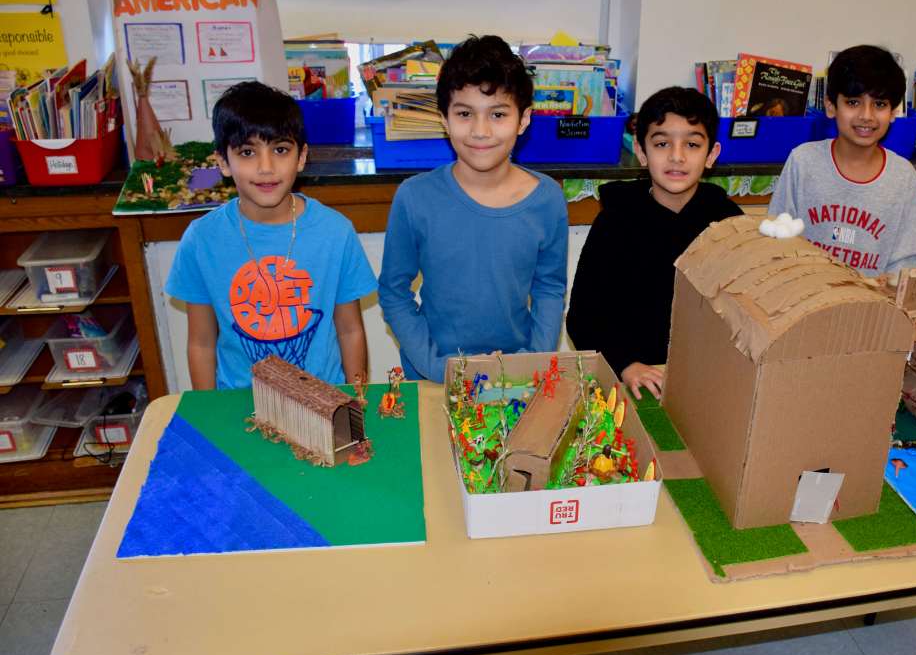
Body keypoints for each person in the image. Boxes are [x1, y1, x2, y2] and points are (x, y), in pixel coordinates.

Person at [378, 35, 568, 383]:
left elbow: (549, 288)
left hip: (516, 374)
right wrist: (437, 367)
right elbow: (393, 292)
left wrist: (533, 361)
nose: (480, 131)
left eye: (497, 114)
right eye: (465, 114)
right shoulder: (415, 197)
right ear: (444, 119)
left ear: (524, 119)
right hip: (433, 375)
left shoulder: (547, 199)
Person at [165, 81, 376, 389]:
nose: (266, 167)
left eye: (280, 150)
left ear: (301, 157)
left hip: (324, 399)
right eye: (248, 152)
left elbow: (349, 330)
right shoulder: (201, 240)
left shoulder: (335, 232)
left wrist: (357, 400)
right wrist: (207, 413)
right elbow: (201, 343)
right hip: (239, 406)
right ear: (223, 161)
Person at [567, 87, 741, 399]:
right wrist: (625, 364)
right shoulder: (613, 221)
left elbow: (746, 311)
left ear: (712, 154)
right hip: (631, 379)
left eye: (691, 143)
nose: (677, 155)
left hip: (708, 379)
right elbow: (582, 319)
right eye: (662, 143)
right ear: (642, 151)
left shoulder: (730, 223)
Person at [768, 45, 916, 276]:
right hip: (804, 300)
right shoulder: (803, 161)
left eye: (879, 104)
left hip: (873, 305)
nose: (866, 116)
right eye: (853, 102)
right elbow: (776, 242)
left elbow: (904, 266)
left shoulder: (905, 178)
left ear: (893, 112)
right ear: (831, 106)